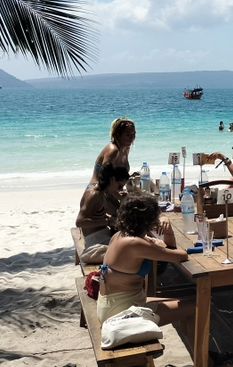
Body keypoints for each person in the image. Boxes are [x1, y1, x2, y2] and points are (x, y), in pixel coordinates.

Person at [96, 192, 193, 336]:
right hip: (121, 312)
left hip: (112, 304)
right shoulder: (135, 243)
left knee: (182, 302)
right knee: (194, 306)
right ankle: (203, 358)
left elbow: (168, 248)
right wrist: (168, 228)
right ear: (150, 219)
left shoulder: (121, 235)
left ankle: (198, 351)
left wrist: (165, 232)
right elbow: (180, 256)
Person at [76, 162, 129, 259]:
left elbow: (115, 211)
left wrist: (120, 198)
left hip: (103, 235)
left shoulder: (103, 193)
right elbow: (80, 222)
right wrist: (108, 221)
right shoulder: (94, 195)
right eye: (119, 186)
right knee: (132, 251)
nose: (120, 189)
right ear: (112, 179)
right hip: (95, 240)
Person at [89, 118, 135, 186]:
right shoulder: (113, 150)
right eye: (128, 135)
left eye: (133, 134)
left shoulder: (126, 148)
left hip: (113, 189)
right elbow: (104, 179)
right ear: (118, 135)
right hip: (98, 190)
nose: (132, 138)